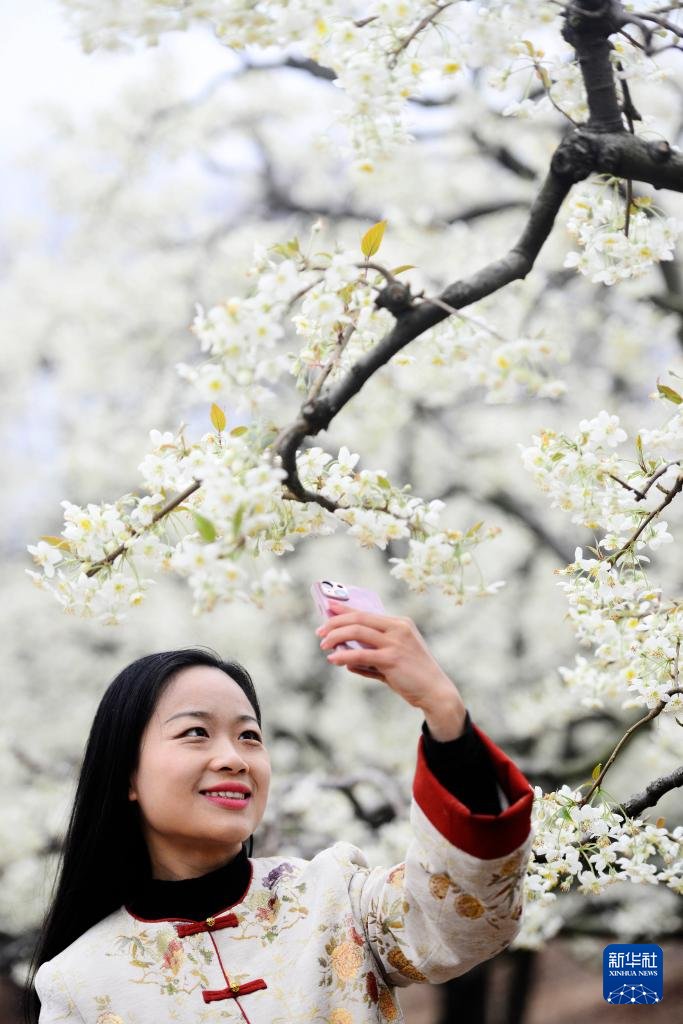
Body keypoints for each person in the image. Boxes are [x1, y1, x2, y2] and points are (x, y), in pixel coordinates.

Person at [27, 600, 534, 1024]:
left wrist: (443, 711)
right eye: (195, 732)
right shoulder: (78, 984)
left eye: (249, 736)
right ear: (126, 776)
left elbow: (468, 920)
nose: (233, 758)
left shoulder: (336, 897)